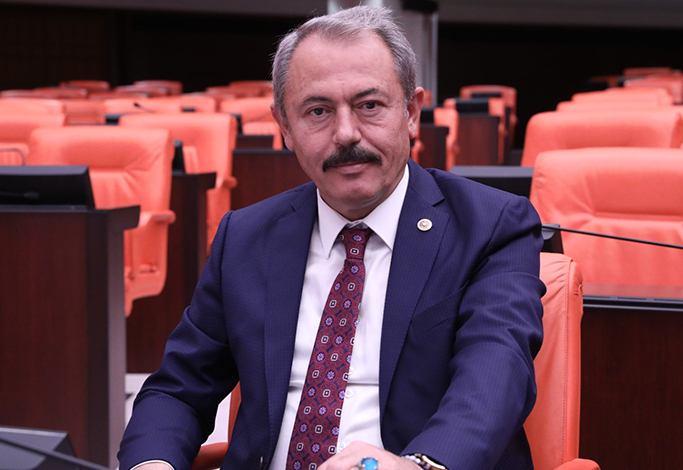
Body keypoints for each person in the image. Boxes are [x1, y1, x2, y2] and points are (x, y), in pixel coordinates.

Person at [118, 6, 545, 470]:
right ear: (285, 127)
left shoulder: (490, 226)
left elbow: (495, 377)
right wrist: (152, 462)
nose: (345, 134)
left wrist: (419, 465)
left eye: (369, 106)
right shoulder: (245, 237)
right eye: (318, 111)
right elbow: (178, 389)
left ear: (411, 112)